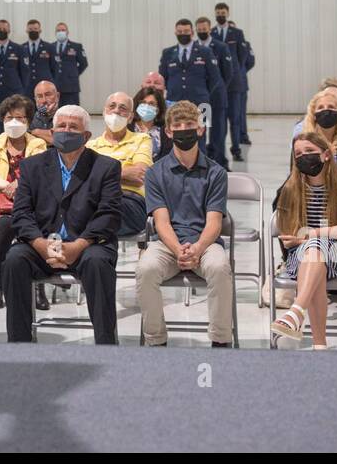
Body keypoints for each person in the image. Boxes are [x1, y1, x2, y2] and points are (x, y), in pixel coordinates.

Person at [2, 105, 122, 343]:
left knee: (98, 263)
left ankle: (106, 345)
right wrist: (40, 244)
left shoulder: (106, 167)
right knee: (14, 260)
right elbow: (22, 213)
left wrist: (78, 245)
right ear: (52, 131)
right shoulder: (32, 166)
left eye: (73, 127)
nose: (66, 131)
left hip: (87, 244)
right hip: (41, 244)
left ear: (86, 136)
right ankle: (19, 346)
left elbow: (109, 214)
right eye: (61, 126)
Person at [137, 101, 233, 347]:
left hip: (205, 242)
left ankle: (220, 341)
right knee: (146, 269)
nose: (183, 129)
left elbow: (214, 222)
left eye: (189, 125)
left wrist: (197, 249)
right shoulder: (155, 172)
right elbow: (161, 222)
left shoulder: (216, 172)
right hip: (168, 243)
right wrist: (179, 250)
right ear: (168, 132)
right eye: (177, 125)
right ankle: (156, 340)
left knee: (220, 268)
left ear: (200, 130)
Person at [270, 132, 337, 348]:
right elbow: (289, 239)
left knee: (314, 249)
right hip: (298, 259)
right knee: (314, 252)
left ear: (326, 154)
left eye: (310, 151)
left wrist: (312, 235)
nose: (304, 157)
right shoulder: (289, 189)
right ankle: (319, 343)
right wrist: (327, 232)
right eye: (298, 153)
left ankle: (296, 312)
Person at [0, 94, 48, 310]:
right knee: (3, 228)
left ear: (28, 121)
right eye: (9, 117)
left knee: (38, 226)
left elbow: (38, 173)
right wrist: (7, 186)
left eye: (20, 118)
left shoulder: (38, 143)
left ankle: (39, 286)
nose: (14, 122)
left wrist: (19, 185)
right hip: (2, 203)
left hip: (31, 202)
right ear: (2, 119)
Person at [87, 91, 155, 235]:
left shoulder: (142, 139)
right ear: (105, 112)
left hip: (130, 201)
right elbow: (83, 178)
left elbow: (139, 175)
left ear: (130, 117)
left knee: (91, 214)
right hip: (97, 200)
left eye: (123, 108)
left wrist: (98, 174)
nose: (116, 110)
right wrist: (124, 173)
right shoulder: (90, 146)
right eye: (112, 106)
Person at [157, 19, 222, 150]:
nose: (183, 34)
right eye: (180, 32)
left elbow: (215, 78)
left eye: (186, 31)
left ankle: (202, 167)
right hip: (174, 102)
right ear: (175, 32)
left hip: (201, 102)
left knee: (201, 136)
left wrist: (204, 93)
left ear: (192, 32)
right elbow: (163, 77)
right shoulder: (168, 53)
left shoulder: (205, 52)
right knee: (174, 135)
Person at [296, 90, 337, 186]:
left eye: (331, 107)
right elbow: (294, 181)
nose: (326, 111)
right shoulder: (301, 146)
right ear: (313, 114)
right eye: (320, 107)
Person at [212, 3, 251, 150]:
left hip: (234, 84)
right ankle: (217, 149)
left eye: (223, 13)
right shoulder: (212, 33)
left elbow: (242, 56)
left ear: (228, 14)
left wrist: (235, 72)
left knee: (235, 118)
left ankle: (236, 148)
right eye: (218, 13)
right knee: (218, 120)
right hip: (217, 84)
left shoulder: (237, 33)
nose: (220, 15)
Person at [195, 16, 232, 168]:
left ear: (210, 29)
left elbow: (227, 74)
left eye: (205, 29)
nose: (202, 32)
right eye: (199, 30)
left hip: (217, 98)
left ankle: (220, 162)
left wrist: (216, 89)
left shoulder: (221, 47)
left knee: (218, 132)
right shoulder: (194, 47)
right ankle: (202, 162)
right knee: (201, 131)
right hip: (201, 100)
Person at [0, 19, 28, 136]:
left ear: (9, 30)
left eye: (4, 29)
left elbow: (25, 73)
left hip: (13, 93)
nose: (1, 30)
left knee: (15, 123)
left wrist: (21, 90)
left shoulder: (19, 49)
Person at [52, 22, 88, 107]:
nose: (61, 32)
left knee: (73, 111)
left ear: (67, 32)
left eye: (63, 30)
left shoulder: (76, 46)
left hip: (71, 87)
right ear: (55, 33)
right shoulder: (51, 46)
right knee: (56, 112)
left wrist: (74, 73)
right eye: (58, 30)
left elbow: (84, 63)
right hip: (55, 86)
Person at [132, 85, 170, 159]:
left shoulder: (165, 130)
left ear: (158, 109)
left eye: (151, 103)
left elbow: (167, 157)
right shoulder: (127, 127)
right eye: (143, 102)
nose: (146, 106)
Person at [23, 19, 58, 95]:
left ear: (40, 30)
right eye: (30, 29)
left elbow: (55, 67)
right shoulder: (21, 48)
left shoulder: (49, 47)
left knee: (44, 106)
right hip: (27, 86)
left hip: (44, 86)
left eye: (35, 29)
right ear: (26, 31)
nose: (33, 31)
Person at [29, 80, 60, 146]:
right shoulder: (29, 119)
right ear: (35, 100)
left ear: (57, 96)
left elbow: (61, 141)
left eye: (48, 95)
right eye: (40, 96)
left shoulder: (67, 116)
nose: (44, 100)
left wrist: (36, 132)